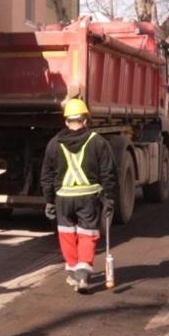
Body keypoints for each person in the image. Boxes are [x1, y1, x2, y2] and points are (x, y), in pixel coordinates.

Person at [41, 99, 117, 293]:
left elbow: (47, 176)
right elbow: (109, 173)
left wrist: (49, 200)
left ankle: (74, 273)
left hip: (63, 198)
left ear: (66, 121)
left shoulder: (53, 143)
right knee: (87, 234)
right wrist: (109, 198)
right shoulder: (98, 142)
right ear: (86, 120)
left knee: (66, 234)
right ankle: (83, 272)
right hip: (89, 198)